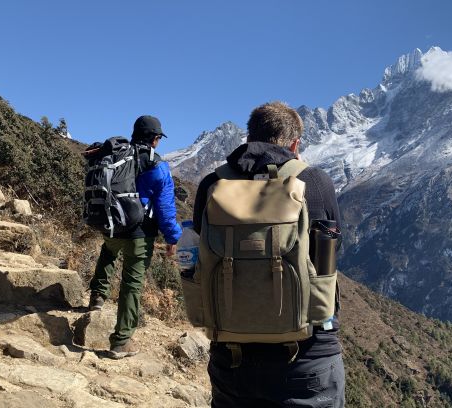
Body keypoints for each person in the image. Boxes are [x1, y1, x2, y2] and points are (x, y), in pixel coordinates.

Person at [193, 102, 345, 407]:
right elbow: (333, 246)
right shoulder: (314, 181)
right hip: (307, 356)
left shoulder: (213, 184)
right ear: (295, 143)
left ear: (248, 137)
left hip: (232, 357)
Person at [89, 115, 182, 359]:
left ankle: (97, 296)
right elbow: (165, 208)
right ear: (155, 138)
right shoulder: (157, 165)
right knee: (132, 283)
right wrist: (173, 237)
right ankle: (121, 340)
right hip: (140, 233)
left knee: (108, 252)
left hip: (113, 224)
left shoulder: (118, 155)